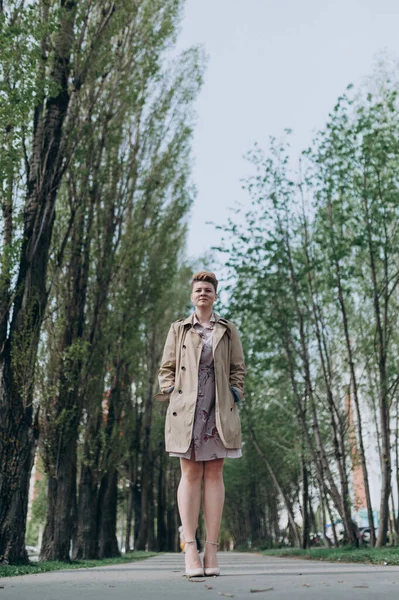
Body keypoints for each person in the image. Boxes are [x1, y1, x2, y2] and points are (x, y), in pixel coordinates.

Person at [155, 271, 245, 577]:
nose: (203, 293)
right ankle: (190, 547)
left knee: (215, 473)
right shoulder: (179, 329)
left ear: (215, 295)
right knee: (191, 472)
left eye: (208, 289)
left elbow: (238, 368)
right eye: (198, 290)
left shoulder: (228, 329)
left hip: (218, 407)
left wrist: (235, 392)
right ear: (192, 296)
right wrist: (170, 390)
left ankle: (211, 549)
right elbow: (166, 367)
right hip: (188, 408)